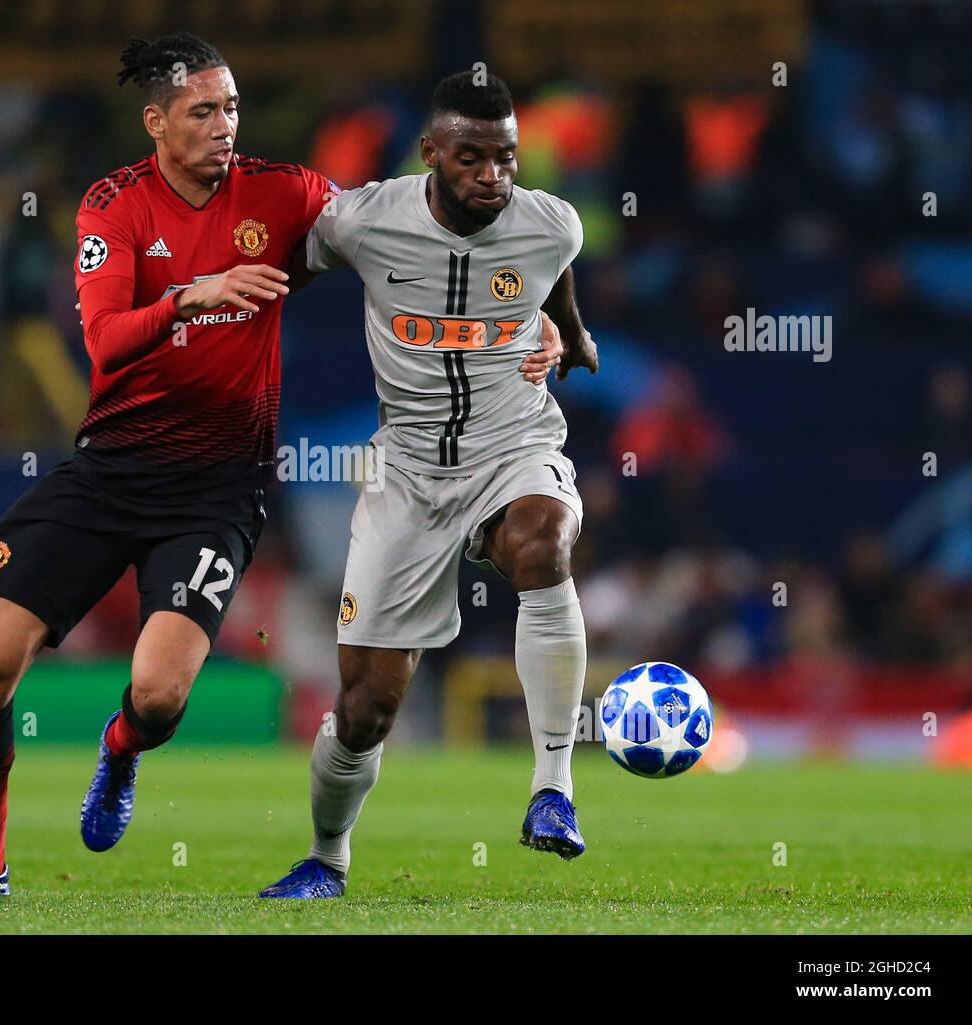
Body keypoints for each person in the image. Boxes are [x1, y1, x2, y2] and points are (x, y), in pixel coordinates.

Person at [0, 32, 338, 898]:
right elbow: (104, 344)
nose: (225, 127)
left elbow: (396, 235)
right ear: (156, 122)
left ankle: (119, 749)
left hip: (217, 489)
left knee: (158, 696)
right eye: (203, 112)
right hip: (109, 472)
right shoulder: (115, 206)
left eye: (233, 108)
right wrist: (193, 295)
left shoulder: (285, 194)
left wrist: (522, 307)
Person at [260, 69, 599, 899]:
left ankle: (552, 788)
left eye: (508, 159)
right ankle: (326, 856)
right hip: (406, 469)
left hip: (512, 439)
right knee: (367, 703)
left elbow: (556, 277)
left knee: (542, 542)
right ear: (432, 153)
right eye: (474, 158)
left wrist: (571, 337)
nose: (494, 175)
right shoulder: (366, 220)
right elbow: (283, 267)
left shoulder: (550, 222)